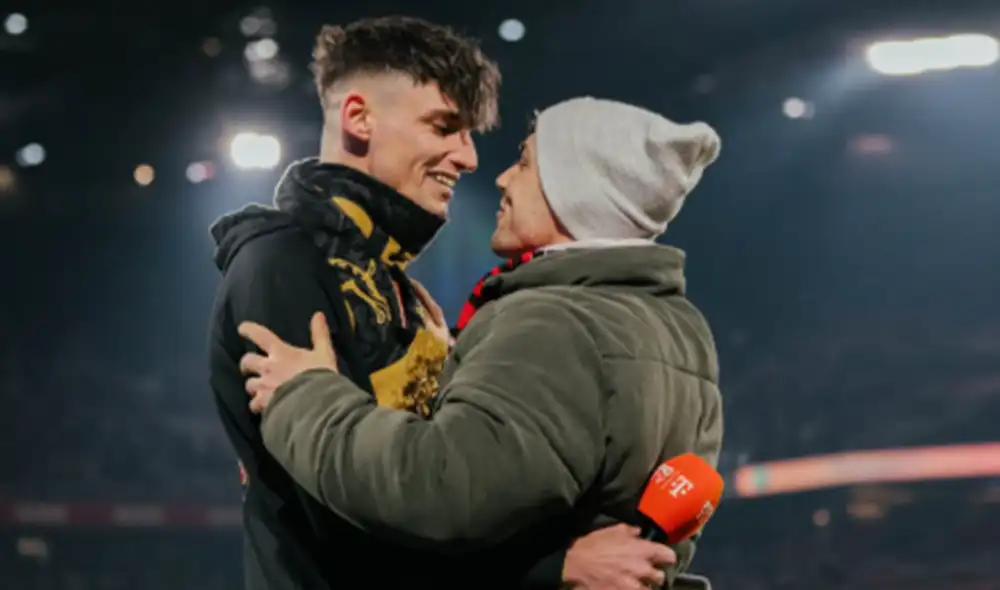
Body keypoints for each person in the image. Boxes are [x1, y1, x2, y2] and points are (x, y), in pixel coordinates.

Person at [208, 16, 674, 590]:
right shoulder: (280, 263)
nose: (470, 156)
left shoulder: (395, 283)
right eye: (444, 127)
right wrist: (552, 569)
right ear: (359, 118)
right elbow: (337, 517)